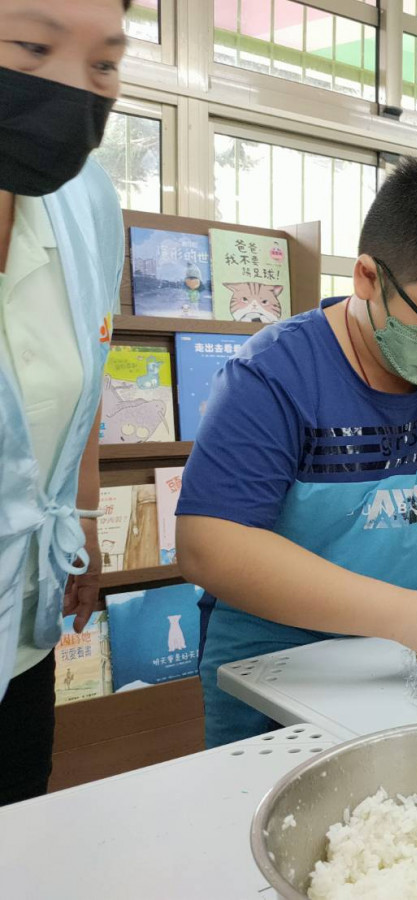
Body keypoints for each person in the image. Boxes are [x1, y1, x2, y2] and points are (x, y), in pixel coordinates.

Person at [176, 159, 417, 747]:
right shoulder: (275, 376)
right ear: (367, 277)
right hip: (278, 666)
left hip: (411, 659)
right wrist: (402, 613)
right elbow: (210, 546)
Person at [0, 0, 130, 805]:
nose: (71, 90)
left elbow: (86, 374)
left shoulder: (84, 204)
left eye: (105, 63)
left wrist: (79, 528)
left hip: (23, 623)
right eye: (30, 45)